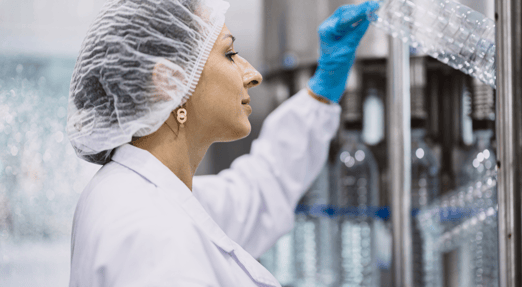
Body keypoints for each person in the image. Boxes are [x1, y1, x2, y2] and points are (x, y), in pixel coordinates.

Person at [67, 0, 380, 286]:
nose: (253, 74)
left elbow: (256, 193)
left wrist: (322, 90)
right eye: (230, 54)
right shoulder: (151, 233)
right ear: (168, 82)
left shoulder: (143, 192)